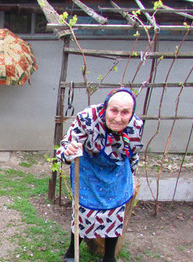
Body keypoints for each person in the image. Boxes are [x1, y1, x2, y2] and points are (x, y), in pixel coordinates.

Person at [56, 88, 143, 262]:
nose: (118, 118)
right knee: (83, 213)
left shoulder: (135, 126)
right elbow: (66, 147)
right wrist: (70, 151)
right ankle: (72, 253)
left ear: (132, 113)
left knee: (114, 213)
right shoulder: (87, 118)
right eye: (114, 111)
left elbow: (133, 154)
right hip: (89, 170)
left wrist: (132, 177)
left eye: (125, 112)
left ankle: (109, 257)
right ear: (105, 107)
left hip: (115, 173)